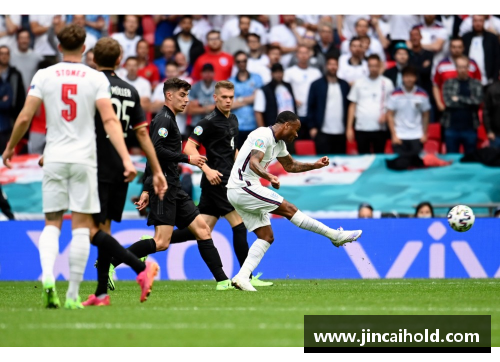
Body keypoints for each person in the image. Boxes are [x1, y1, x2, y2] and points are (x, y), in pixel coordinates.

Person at [1, 25, 157, 309]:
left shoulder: (43, 75)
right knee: (85, 227)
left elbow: (25, 116)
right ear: (85, 49)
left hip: (55, 157)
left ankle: (50, 278)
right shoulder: (93, 78)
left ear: (58, 46)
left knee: (52, 222)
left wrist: (10, 147)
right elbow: (111, 121)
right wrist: (125, 158)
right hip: (87, 160)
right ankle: (75, 294)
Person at [109, 78, 236, 291]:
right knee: (161, 242)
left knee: (203, 230)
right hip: (165, 189)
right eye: (182, 95)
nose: (187, 100)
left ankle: (223, 281)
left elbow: (154, 158)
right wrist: (188, 159)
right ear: (169, 95)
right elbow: (155, 151)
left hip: (173, 186)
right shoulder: (163, 120)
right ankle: (110, 263)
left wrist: (146, 188)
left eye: (187, 95)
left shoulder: (171, 119)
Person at [228, 111, 362, 291]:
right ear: (286, 126)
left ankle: (242, 277)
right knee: (289, 209)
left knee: (266, 236)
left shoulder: (280, 144)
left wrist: (314, 165)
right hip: (243, 186)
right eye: (296, 130)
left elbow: (290, 165)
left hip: (242, 189)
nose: (297, 135)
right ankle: (334, 236)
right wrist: (270, 176)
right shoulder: (262, 135)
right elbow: (254, 162)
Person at [79, 37, 167, 306]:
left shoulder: (90, 86)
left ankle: (141, 269)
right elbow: (142, 134)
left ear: (93, 59)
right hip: (120, 166)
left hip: (94, 163)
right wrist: (156, 169)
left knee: (89, 230)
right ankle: (102, 292)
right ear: (119, 60)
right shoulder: (130, 90)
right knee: (103, 230)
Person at [159, 80, 273, 287]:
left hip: (227, 179)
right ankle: (246, 277)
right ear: (215, 98)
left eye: (231, 97)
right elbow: (189, 149)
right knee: (239, 225)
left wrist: (245, 171)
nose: (228, 101)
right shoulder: (207, 122)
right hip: (218, 180)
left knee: (200, 229)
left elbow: (233, 152)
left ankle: (153, 242)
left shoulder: (234, 120)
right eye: (224, 97)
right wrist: (207, 169)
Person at [346, 54, 394, 154]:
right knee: (363, 159)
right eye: (371, 66)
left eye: (376, 65)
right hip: (362, 127)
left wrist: (386, 115)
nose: (373, 68)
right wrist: (349, 127)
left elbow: (392, 105)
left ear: (380, 66)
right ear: (367, 66)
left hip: (380, 128)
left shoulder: (387, 83)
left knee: (379, 158)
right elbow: (352, 106)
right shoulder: (359, 83)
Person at [308, 53, 350, 154]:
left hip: (341, 132)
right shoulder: (316, 85)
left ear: (338, 66)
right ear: (326, 66)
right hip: (322, 132)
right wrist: (312, 126)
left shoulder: (344, 85)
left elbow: (349, 107)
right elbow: (311, 106)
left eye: (335, 64)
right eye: (330, 64)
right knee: (323, 165)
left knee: (340, 165)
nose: (332, 67)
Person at [442, 55, 483, 154]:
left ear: (468, 67)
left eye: (465, 67)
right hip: (451, 127)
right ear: (456, 68)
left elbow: (477, 101)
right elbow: (448, 103)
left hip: (470, 127)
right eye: (460, 67)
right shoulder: (448, 83)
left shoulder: (476, 83)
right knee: (451, 158)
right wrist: (469, 101)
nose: (462, 69)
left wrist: (458, 98)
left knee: (471, 159)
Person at [387, 66, 431, 156]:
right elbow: (390, 115)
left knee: (415, 165)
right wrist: (394, 135)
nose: (409, 79)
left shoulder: (422, 94)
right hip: (400, 135)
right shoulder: (395, 94)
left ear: (415, 78)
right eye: (406, 76)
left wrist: (424, 134)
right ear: (402, 78)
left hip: (417, 135)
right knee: (401, 164)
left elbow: (426, 115)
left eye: (411, 76)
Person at [432, 37, 482, 114]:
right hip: (447, 107)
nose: (456, 49)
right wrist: (439, 103)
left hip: (469, 108)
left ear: (463, 48)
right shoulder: (442, 64)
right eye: (454, 47)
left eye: (459, 47)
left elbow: (478, 83)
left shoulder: (472, 64)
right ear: (450, 48)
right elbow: (436, 85)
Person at [283, 45, 322, 139]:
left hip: (312, 113)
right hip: (295, 113)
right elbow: (284, 90)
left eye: (306, 53)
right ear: (297, 55)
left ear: (309, 55)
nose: (303, 55)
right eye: (301, 53)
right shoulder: (289, 72)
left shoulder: (316, 73)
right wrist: (293, 100)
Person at [230, 51, 263, 149]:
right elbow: (229, 105)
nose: (242, 63)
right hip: (237, 127)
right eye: (239, 61)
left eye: (244, 61)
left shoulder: (257, 78)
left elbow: (260, 98)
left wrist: (239, 100)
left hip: (254, 125)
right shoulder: (230, 82)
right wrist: (250, 98)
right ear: (235, 63)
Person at [254, 63, 296, 129]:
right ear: (271, 74)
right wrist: (262, 132)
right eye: (276, 72)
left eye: (280, 72)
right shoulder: (264, 90)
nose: (278, 74)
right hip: (274, 129)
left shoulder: (288, 86)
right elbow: (258, 112)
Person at [0, 45, 25, 153]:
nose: (4, 56)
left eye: (6, 54)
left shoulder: (15, 74)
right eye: (1, 53)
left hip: (10, 119)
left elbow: (17, 99)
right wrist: (2, 100)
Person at [462, 15, 500, 87]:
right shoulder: (466, 38)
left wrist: (494, 78)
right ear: (472, 22)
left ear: (484, 22)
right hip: (469, 79)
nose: (478, 23)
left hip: (489, 80)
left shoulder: (492, 38)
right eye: (475, 21)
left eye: (480, 21)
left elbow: (497, 58)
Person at [186, 63, 216, 129]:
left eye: (210, 71)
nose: (208, 74)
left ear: (214, 73)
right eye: (205, 71)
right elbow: (190, 110)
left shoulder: (219, 87)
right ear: (201, 73)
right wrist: (210, 107)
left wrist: (199, 104)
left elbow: (222, 108)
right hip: (197, 125)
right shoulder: (195, 87)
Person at [483, 78, 500, 148]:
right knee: (495, 157)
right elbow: (486, 111)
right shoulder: (492, 89)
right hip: (496, 134)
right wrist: (489, 130)